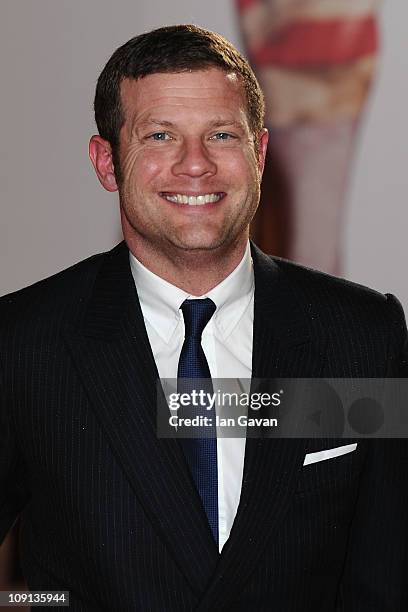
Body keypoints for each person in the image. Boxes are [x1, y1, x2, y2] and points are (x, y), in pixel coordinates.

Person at [0, 24, 407, 611]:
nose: (196, 165)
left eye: (221, 134)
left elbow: (388, 579)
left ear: (260, 154)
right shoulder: (23, 344)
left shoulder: (364, 337)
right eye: (161, 136)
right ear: (106, 163)